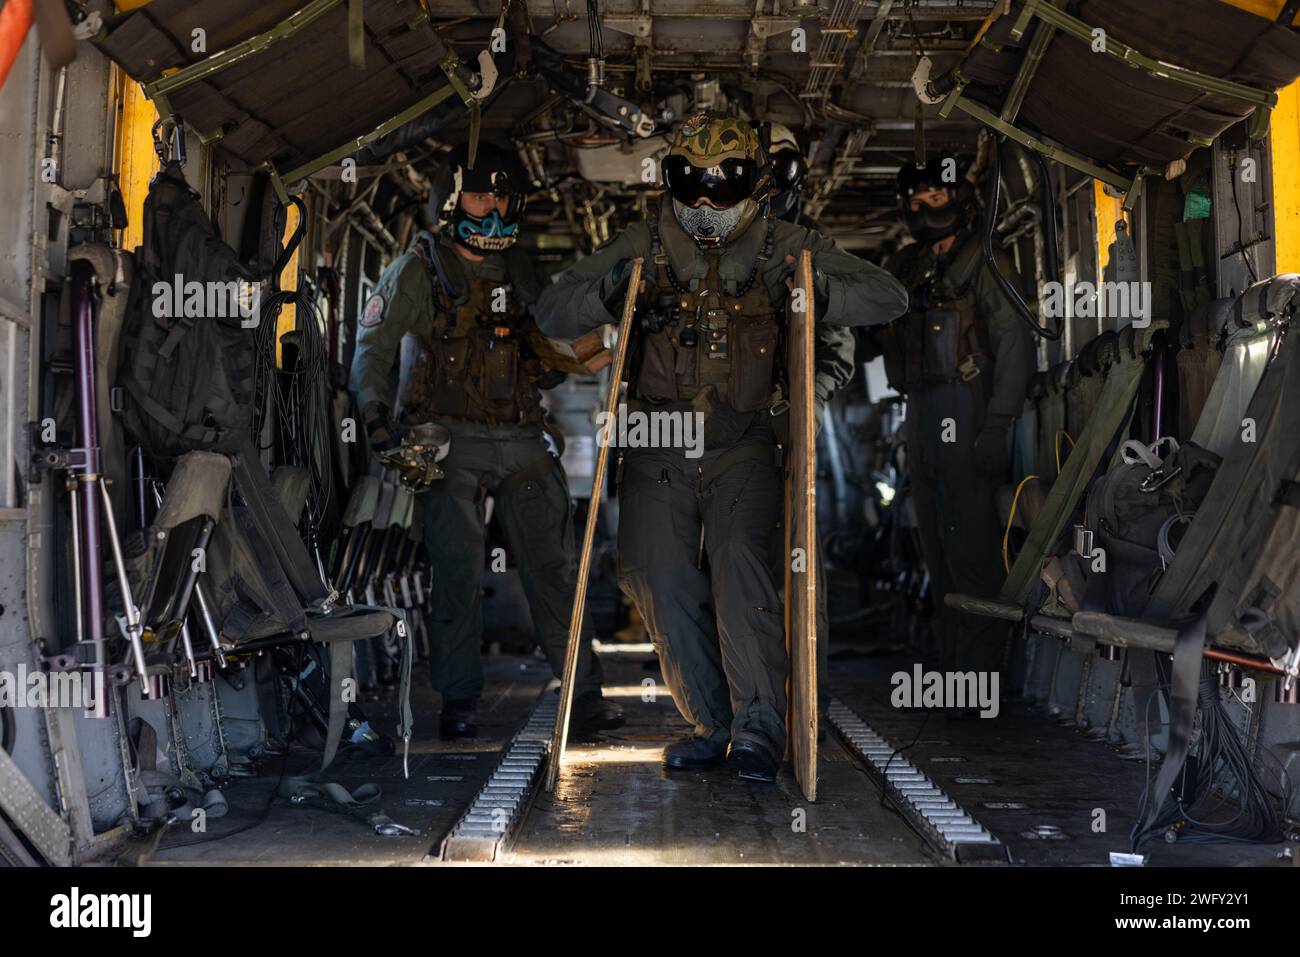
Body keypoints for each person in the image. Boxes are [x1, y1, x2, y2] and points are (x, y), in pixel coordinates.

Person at [534, 113, 908, 780]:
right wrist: (611, 291)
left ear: (753, 183)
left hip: (745, 443)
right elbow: (553, 311)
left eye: (723, 181)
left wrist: (814, 288)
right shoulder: (645, 240)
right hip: (657, 443)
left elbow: (888, 297)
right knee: (655, 574)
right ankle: (712, 722)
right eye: (691, 180)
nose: (705, 200)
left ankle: (760, 729)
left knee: (743, 569)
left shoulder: (786, 243)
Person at [349, 140, 625, 740]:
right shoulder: (417, 271)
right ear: (451, 201)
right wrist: (375, 421)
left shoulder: (520, 271)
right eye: (480, 196)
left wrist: (591, 338)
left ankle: (584, 695)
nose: (494, 208)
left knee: (555, 569)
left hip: (522, 437)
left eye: (503, 197)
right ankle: (459, 699)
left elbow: (550, 345)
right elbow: (371, 349)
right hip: (449, 442)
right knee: (457, 571)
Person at [861, 155, 1035, 690]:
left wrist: (997, 425)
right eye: (914, 201)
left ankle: (980, 679)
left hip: (967, 407)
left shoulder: (985, 263)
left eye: (934, 197)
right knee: (935, 548)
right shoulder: (907, 266)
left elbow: (1015, 345)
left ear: (959, 199)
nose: (923, 208)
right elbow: (872, 329)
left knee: (971, 551)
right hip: (919, 411)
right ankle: (951, 669)